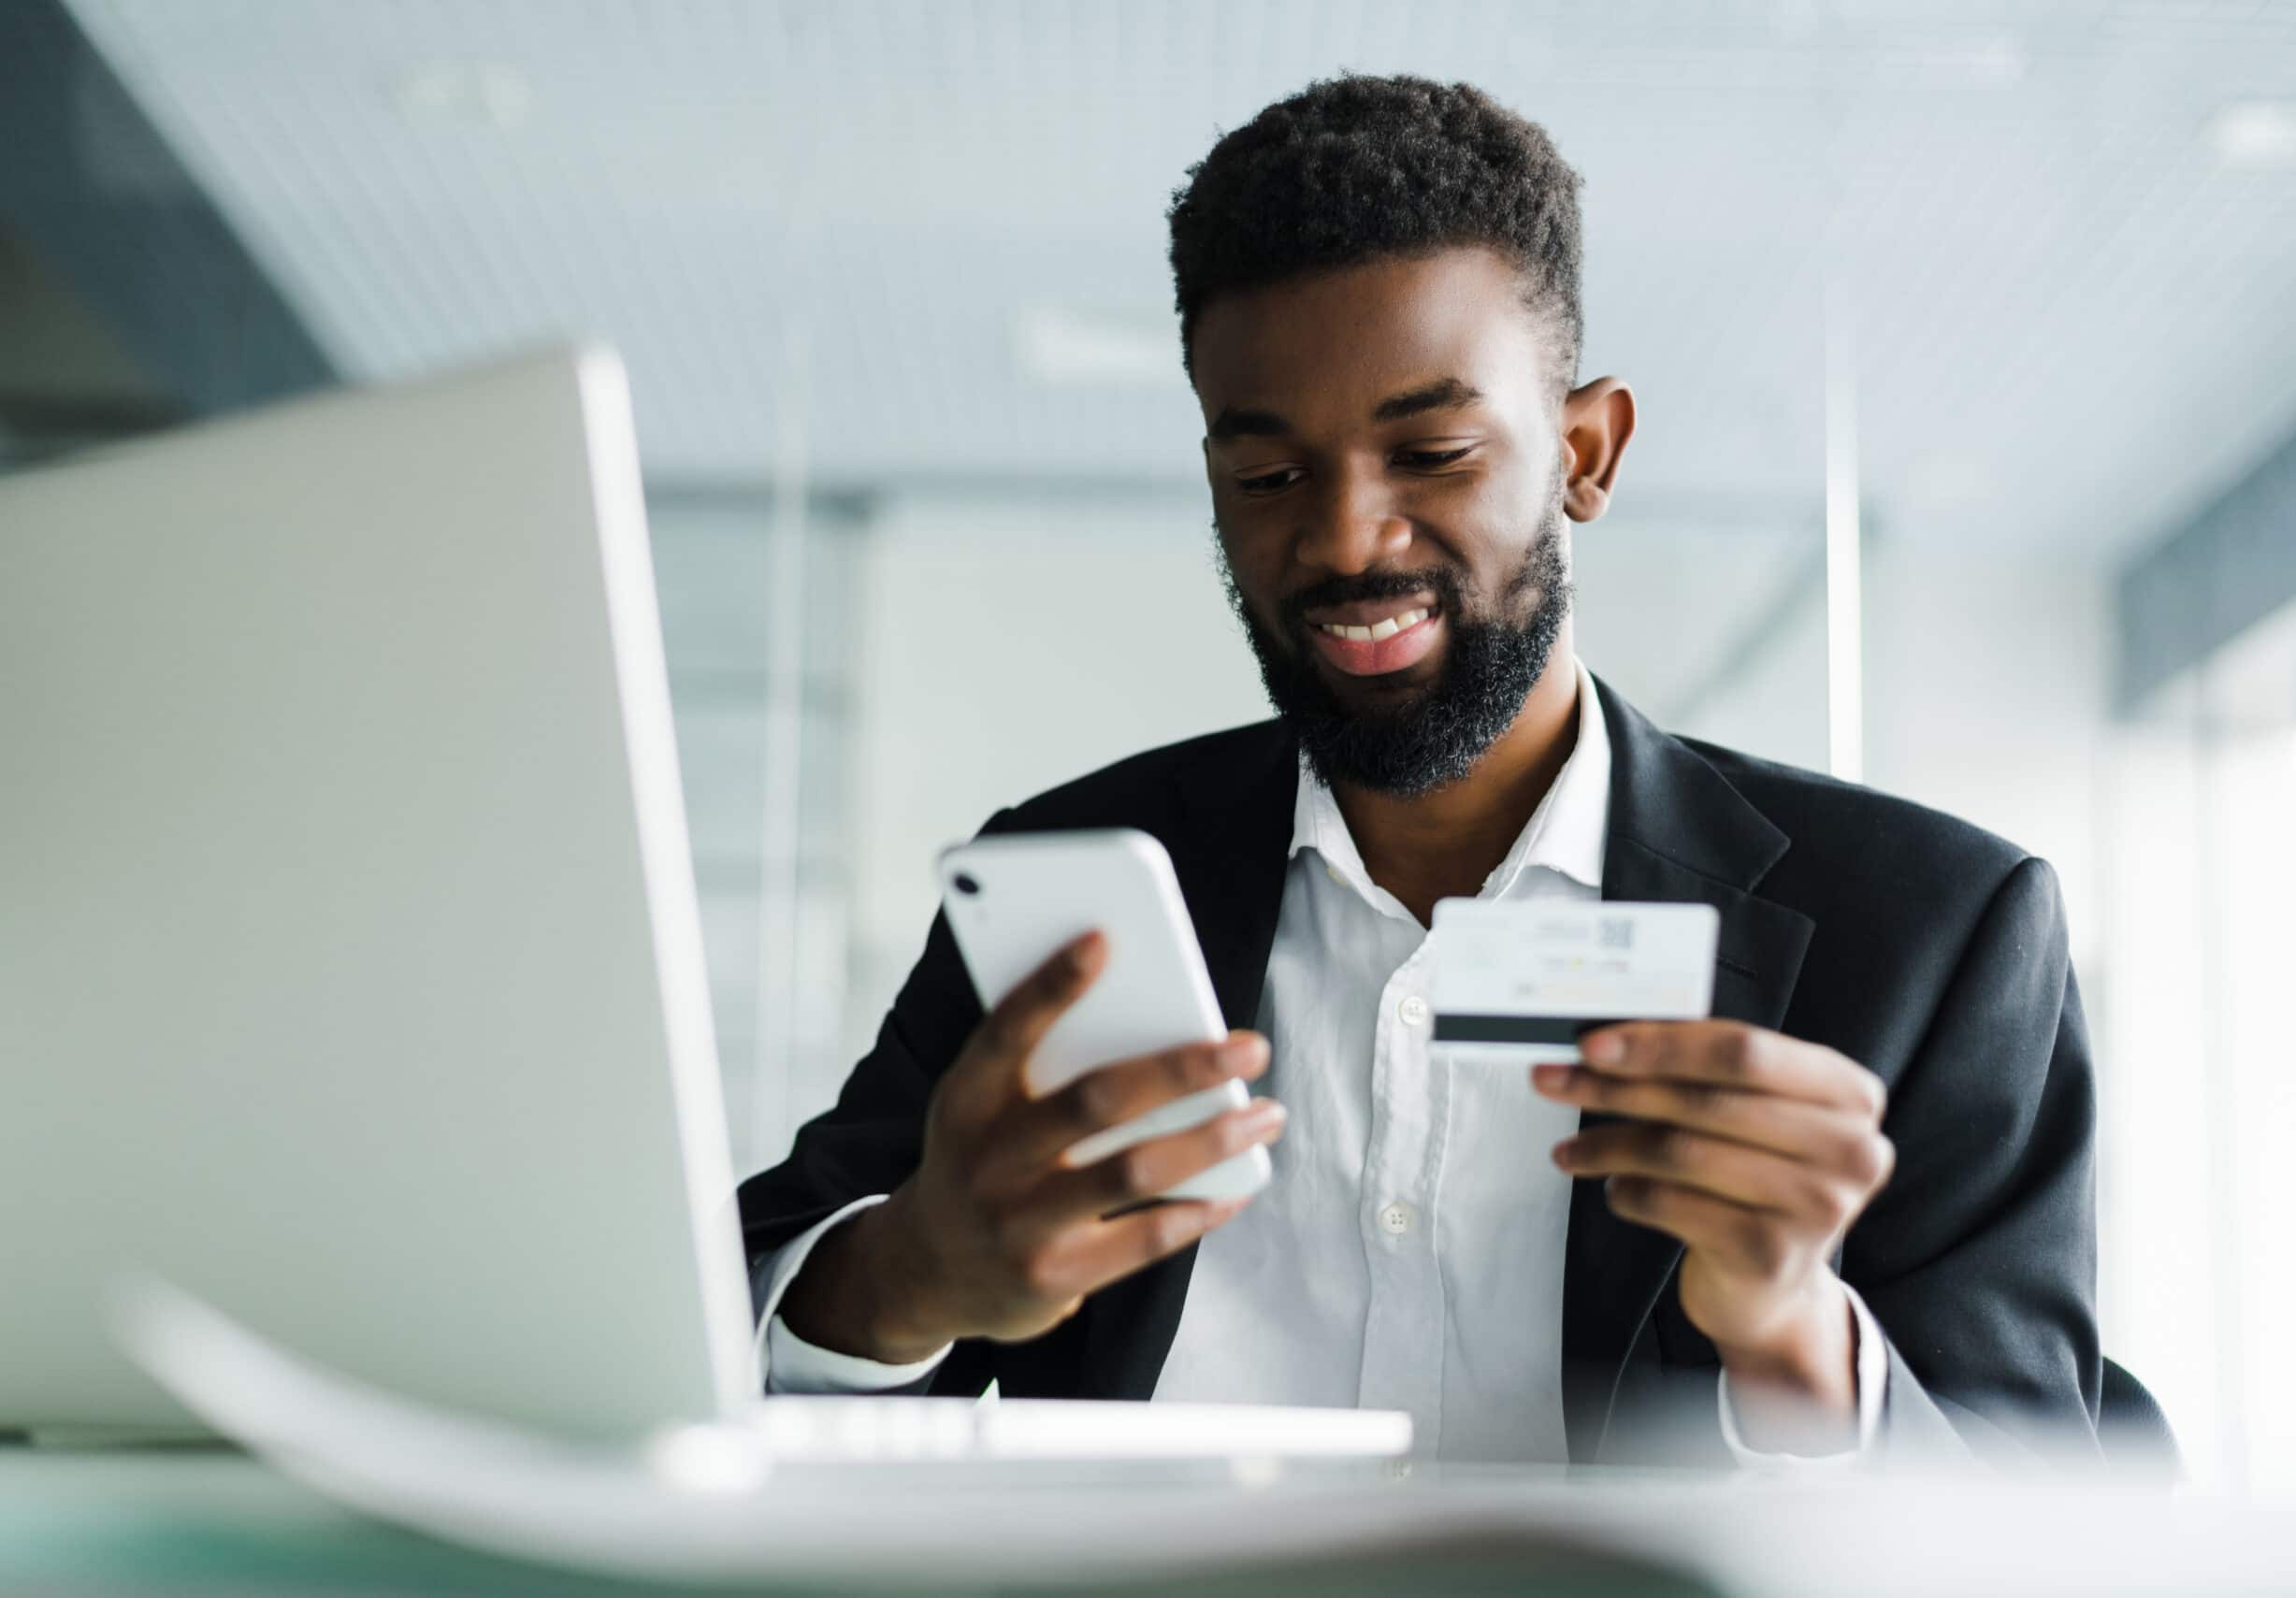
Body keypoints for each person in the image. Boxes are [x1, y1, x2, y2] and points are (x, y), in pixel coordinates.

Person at [735, 74, 2098, 1466]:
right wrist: (908, 1274)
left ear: (1585, 449)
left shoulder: (1930, 935)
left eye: (1431, 452)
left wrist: (1793, 1329)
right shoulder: (1070, 892)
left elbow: (2044, 1526)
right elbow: (702, 1331)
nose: (1344, 539)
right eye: (1267, 477)